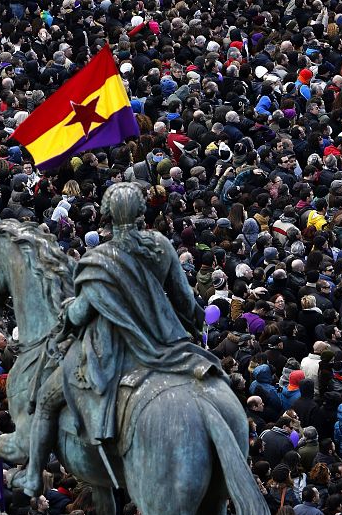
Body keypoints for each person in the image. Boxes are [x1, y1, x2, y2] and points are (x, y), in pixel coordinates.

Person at [26, 183, 221, 494]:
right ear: (143, 213)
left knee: (47, 403)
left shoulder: (99, 260)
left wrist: (67, 310)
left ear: (106, 217)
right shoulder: (160, 246)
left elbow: (79, 316)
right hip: (165, 341)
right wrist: (201, 323)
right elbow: (185, 302)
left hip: (114, 350)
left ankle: (33, 475)